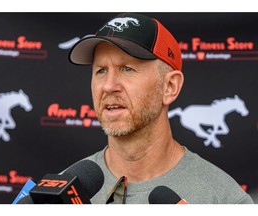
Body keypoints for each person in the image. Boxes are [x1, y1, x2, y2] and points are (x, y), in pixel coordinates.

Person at [66, 12, 254, 204]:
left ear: (170, 87)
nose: (108, 85)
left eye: (127, 68)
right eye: (101, 70)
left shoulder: (224, 199)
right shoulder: (63, 193)